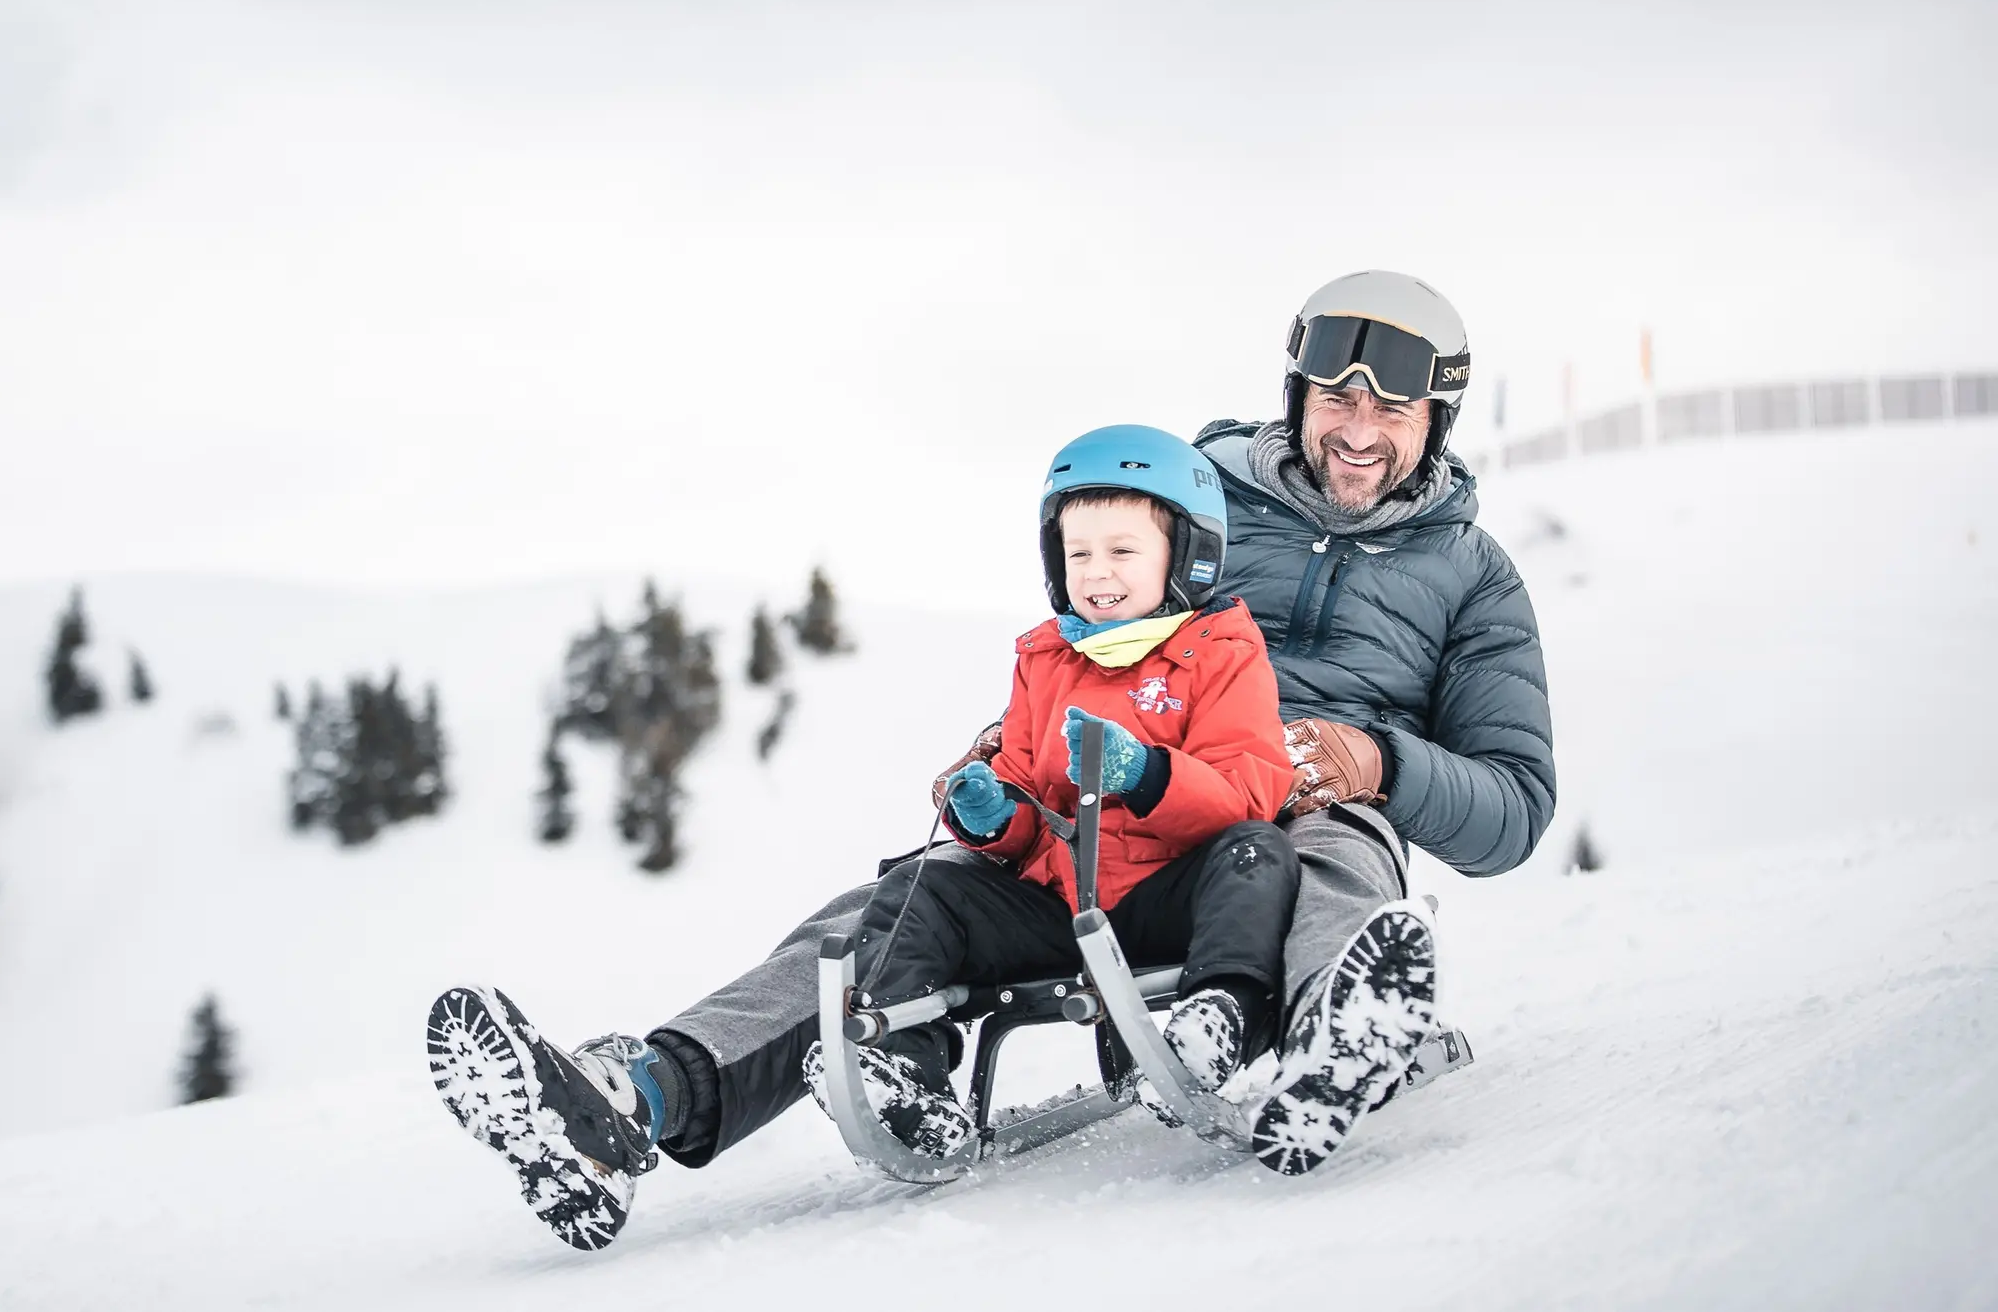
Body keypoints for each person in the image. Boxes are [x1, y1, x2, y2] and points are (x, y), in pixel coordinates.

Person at [426, 272, 1555, 1249]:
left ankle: (1332, 1044)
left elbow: (1512, 805)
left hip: (1287, 800)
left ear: (1435, 420)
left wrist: (1380, 762)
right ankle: (637, 1094)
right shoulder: (1185, 496)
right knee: (904, 896)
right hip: (1112, 785)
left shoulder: (1471, 575)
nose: (1358, 425)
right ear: (1296, 394)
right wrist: (1012, 761)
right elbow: (1083, 627)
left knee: (1327, 855)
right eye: (1336, 394)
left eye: (1393, 404)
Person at [788, 425, 1299, 1159]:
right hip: (1062, 907)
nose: (1098, 571)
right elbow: (1028, 800)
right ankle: (900, 1063)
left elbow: (1247, 792)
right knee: (924, 885)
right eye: (1078, 552)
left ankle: (1219, 1019)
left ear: (1188, 554)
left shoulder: (1222, 653)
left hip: (1170, 900)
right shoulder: (1045, 657)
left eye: (1123, 551)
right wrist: (996, 815)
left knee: (1259, 852)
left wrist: (1149, 774)